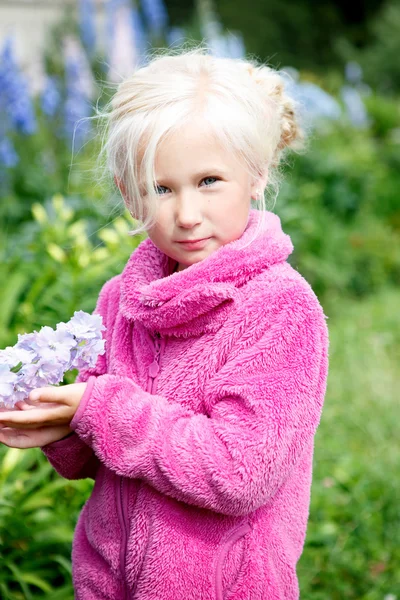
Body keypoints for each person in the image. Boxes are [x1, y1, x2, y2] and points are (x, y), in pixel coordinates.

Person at [0, 49, 329, 600]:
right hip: (110, 582)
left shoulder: (279, 309)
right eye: (161, 188)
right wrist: (59, 423)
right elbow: (102, 454)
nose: (187, 214)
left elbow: (238, 472)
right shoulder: (123, 301)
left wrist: (100, 409)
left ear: (256, 175)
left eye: (208, 181)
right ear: (129, 194)